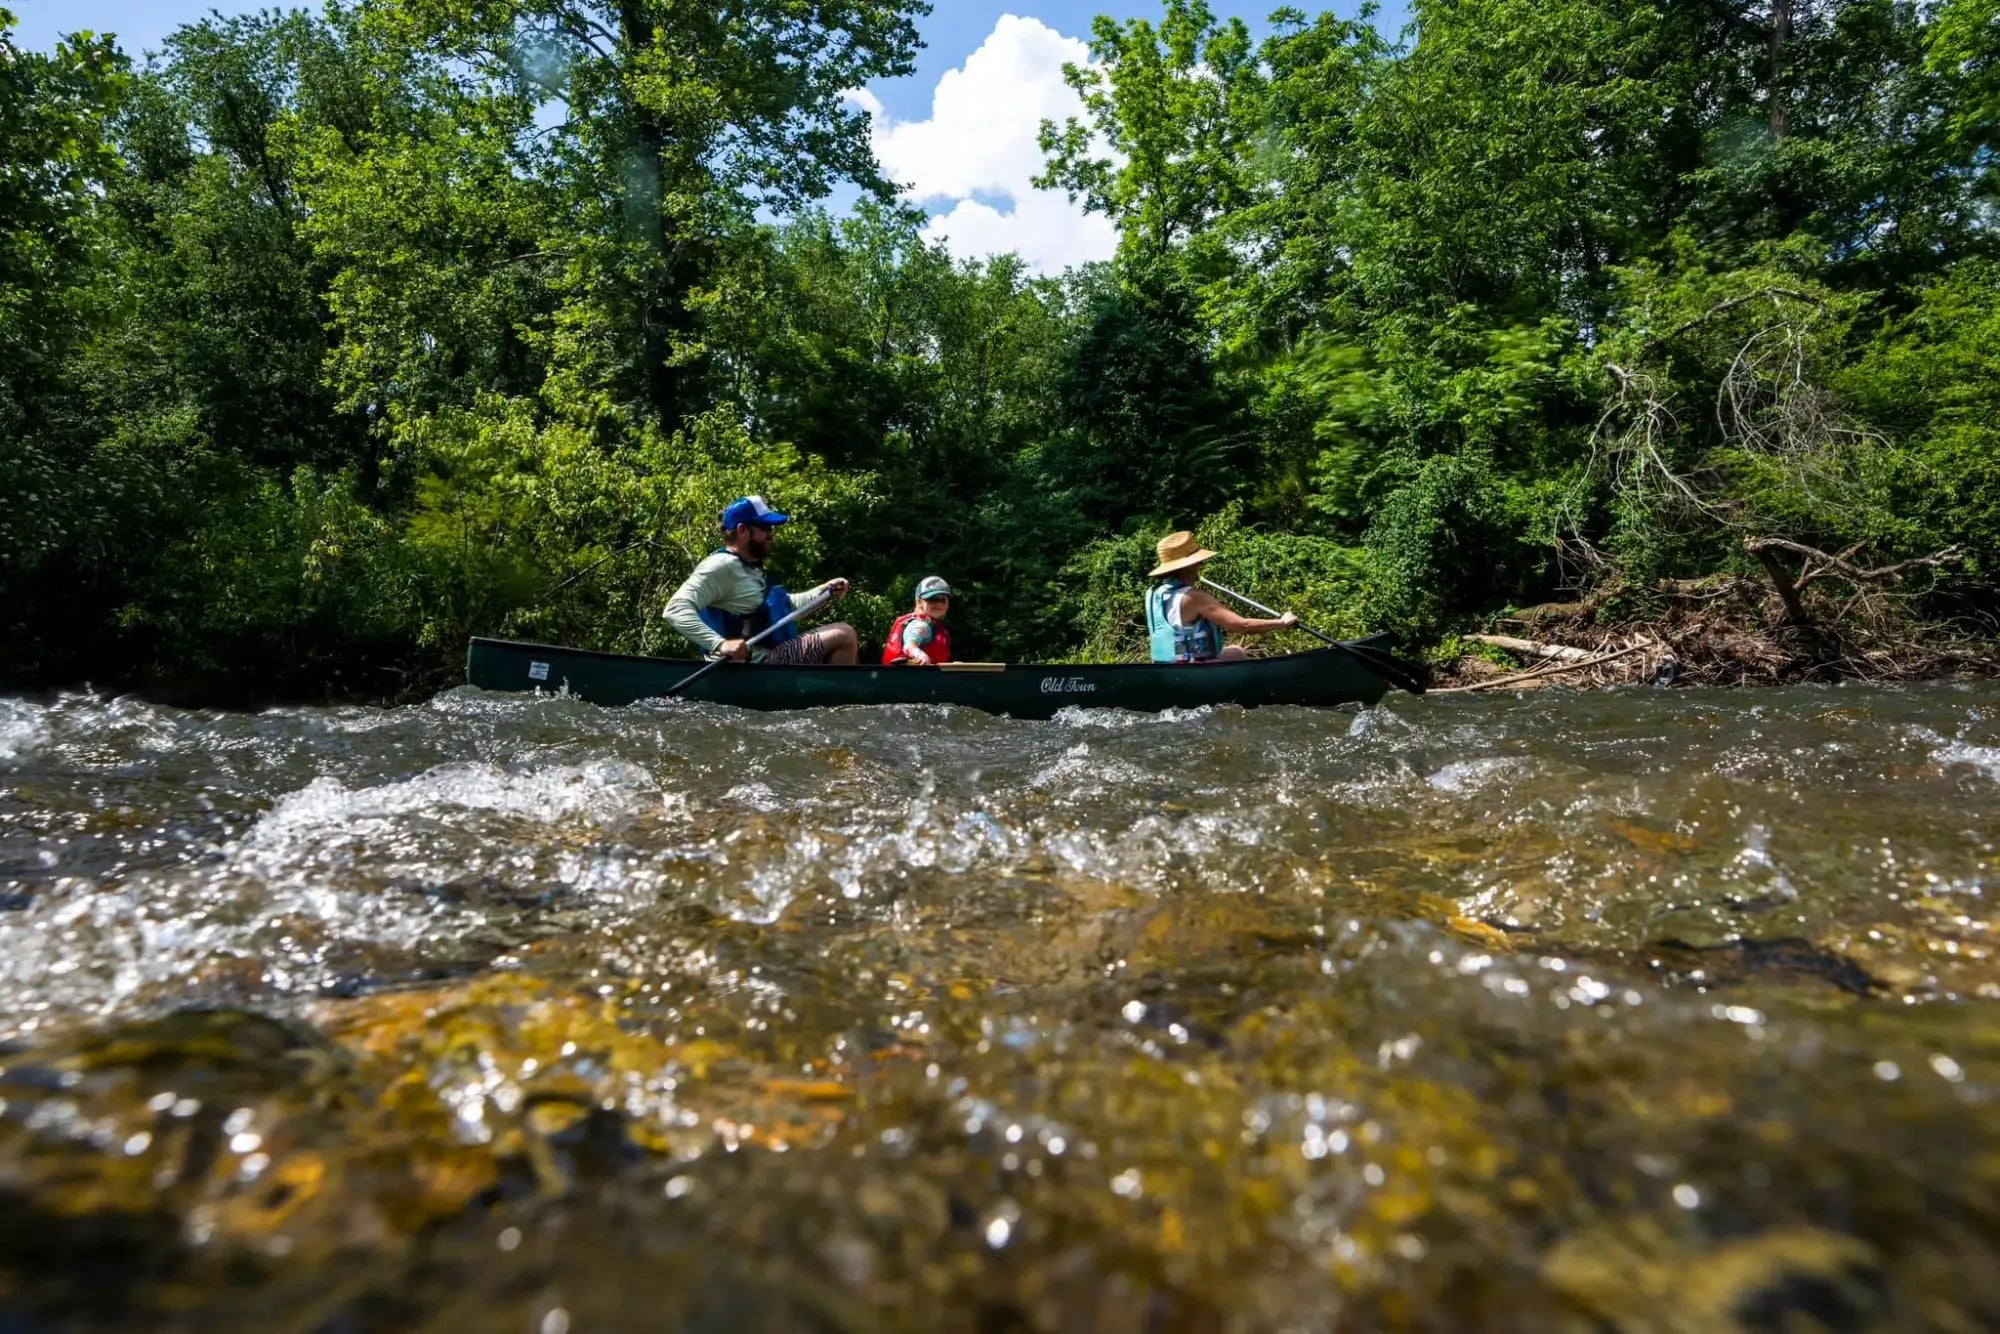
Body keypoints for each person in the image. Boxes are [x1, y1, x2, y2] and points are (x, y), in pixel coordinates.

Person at [665, 496, 859, 664]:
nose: (771, 534)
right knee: (844, 634)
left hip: (767, 658)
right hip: (753, 663)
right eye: (765, 527)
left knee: (842, 633)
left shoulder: (751, 568)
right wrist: (720, 644)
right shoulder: (721, 566)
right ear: (742, 530)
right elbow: (675, 609)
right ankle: (840, 701)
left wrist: (825, 591)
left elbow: (787, 608)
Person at [1145, 531, 1296, 663]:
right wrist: (1282, 622)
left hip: (1164, 666)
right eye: (1198, 561)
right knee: (1238, 654)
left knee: (1236, 651)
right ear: (1188, 566)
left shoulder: (1154, 593)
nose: (1202, 563)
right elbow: (1243, 626)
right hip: (1191, 672)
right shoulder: (1195, 597)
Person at [881, 576, 954, 666]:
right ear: (919, 602)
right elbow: (909, 647)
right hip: (909, 677)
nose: (938, 604)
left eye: (943, 600)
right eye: (932, 599)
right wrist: (922, 657)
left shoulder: (930, 625)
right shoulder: (921, 625)